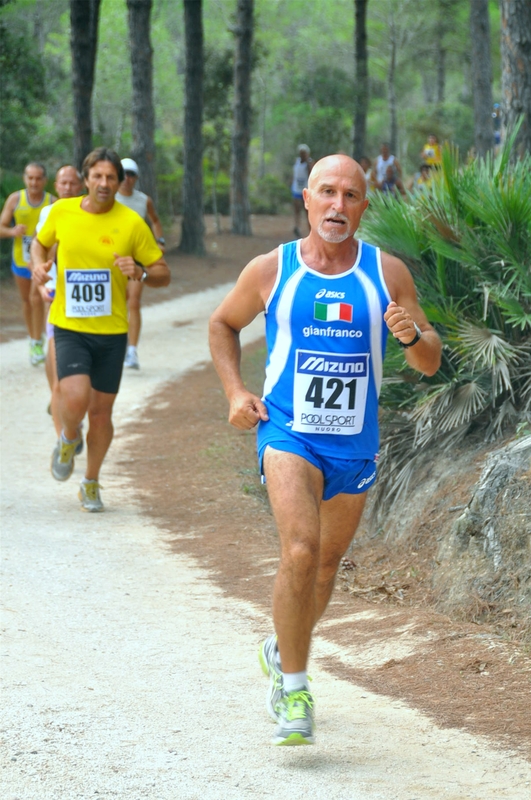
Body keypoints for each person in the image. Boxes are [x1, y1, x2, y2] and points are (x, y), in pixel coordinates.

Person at [209, 154, 442, 746]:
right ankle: (294, 688)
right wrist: (236, 391)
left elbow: (429, 359)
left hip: (354, 442)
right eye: (328, 193)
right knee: (301, 548)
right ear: (307, 200)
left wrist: (412, 335)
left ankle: (279, 644)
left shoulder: (386, 274)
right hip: (288, 429)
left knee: (325, 568)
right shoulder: (272, 269)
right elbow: (222, 324)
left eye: (352, 196)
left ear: (365, 206)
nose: (338, 205)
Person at [31, 147, 170, 512]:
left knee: (102, 414)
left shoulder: (131, 223)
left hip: (111, 332)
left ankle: (90, 482)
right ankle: (68, 437)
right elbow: (40, 244)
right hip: (70, 325)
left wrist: (138, 271)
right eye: (98, 176)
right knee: (73, 397)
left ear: (119, 181)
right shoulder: (62, 212)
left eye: (112, 177)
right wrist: (38, 266)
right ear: (86, 178)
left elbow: (162, 273)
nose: (105, 183)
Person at [33, 166, 84, 437]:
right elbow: (39, 248)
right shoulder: (48, 213)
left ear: (81, 186)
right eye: (62, 183)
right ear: (55, 185)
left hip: (85, 302)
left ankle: (71, 409)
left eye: (72, 183)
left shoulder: (89, 213)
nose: (67, 187)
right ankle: (61, 437)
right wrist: (41, 282)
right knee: (55, 364)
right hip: (54, 293)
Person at [0, 162, 55, 365]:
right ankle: (34, 339)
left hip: (42, 262)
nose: (34, 182)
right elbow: (1, 227)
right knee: (27, 301)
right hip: (20, 260)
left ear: (45, 180)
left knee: (37, 298)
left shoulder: (52, 202)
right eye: (30, 177)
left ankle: (40, 342)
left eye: (38, 178)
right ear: (25, 179)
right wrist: (12, 231)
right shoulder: (15, 199)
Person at [115, 157, 166, 370]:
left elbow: (155, 220)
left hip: (135, 259)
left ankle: (132, 351)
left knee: (133, 302)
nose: (127, 179)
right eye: (124, 174)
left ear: (136, 178)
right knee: (118, 302)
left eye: (131, 174)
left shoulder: (143, 200)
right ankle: (116, 346)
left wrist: (159, 241)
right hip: (113, 258)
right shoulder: (110, 198)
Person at [291, 144, 314, 237]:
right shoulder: (297, 162)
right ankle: (297, 227)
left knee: (307, 210)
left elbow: (311, 174)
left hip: (306, 189)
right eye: (301, 153)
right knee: (297, 209)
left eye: (304, 153)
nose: (302, 154)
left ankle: (310, 231)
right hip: (296, 188)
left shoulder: (309, 163)